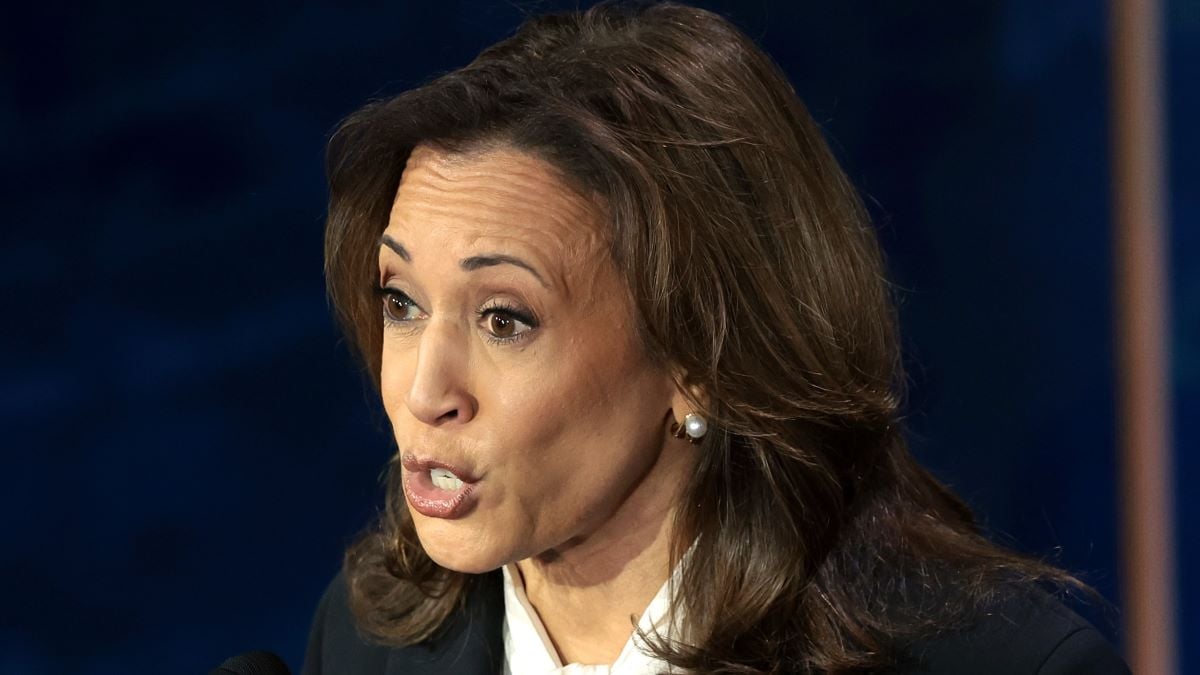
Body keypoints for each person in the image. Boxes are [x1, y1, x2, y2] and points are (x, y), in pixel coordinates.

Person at [301, 2, 1130, 673]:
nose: (422, 391)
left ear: (700, 356)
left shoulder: (1005, 665)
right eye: (402, 303)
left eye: (504, 319)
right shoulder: (369, 638)